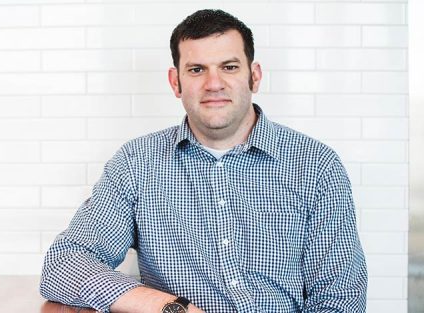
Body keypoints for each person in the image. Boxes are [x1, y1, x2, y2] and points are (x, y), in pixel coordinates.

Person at [39, 9, 368, 313]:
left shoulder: (315, 165)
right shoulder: (136, 163)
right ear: (175, 82)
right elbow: (64, 264)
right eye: (197, 70)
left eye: (229, 67)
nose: (214, 84)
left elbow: (339, 300)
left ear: (254, 76)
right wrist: (172, 309)